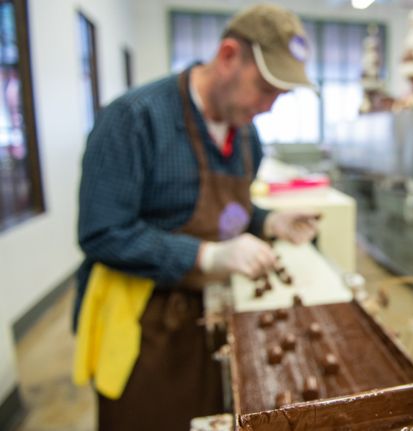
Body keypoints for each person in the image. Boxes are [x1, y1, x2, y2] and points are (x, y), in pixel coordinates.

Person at [75, 4, 318, 430]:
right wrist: (206, 256)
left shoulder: (247, 134)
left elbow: (230, 212)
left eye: (280, 96)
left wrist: (267, 222)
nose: (268, 107)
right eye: (264, 88)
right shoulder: (135, 119)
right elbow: (102, 232)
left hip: (214, 308)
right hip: (142, 321)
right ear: (228, 56)